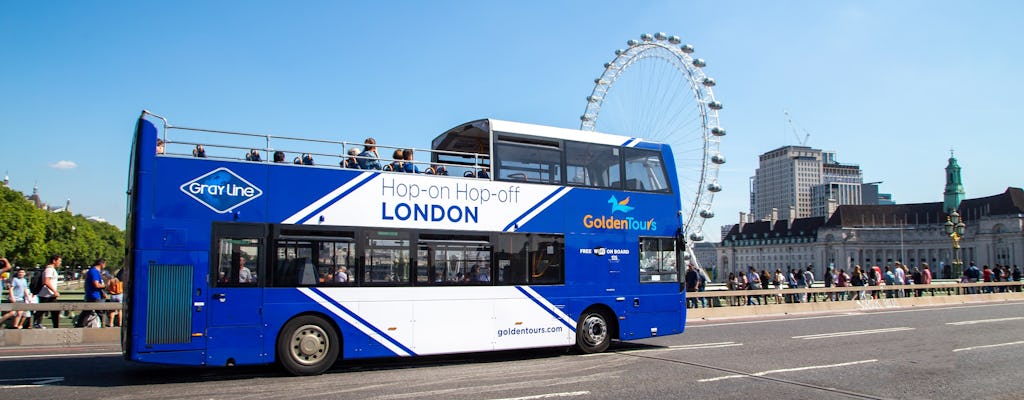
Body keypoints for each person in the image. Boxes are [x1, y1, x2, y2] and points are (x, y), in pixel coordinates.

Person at [33, 255, 62, 329]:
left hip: (49, 294)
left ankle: (36, 323)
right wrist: (54, 291)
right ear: (54, 261)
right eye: (59, 261)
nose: (60, 263)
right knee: (48, 311)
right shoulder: (49, 269)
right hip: (47, 294)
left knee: (52, 311)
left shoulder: (51, 269)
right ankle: (37, 324)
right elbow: (46, 281)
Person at [80, 258, 107, 328]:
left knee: (86, 311)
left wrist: (102, 292)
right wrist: (105, 286)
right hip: (94, 295)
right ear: (101, 264)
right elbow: (96, 284)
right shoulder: (94, 272)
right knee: (100, 311)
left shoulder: (93, 271)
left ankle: (79, 325)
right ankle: (104, 326)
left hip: (92, 295)